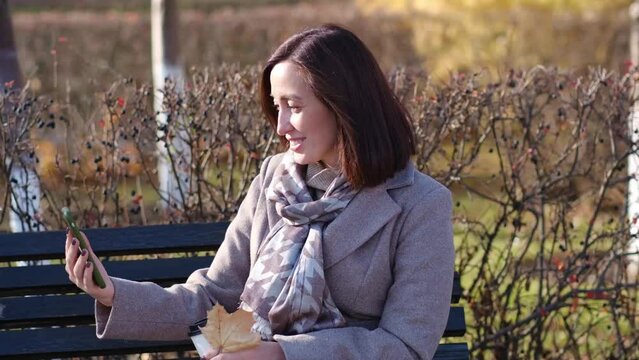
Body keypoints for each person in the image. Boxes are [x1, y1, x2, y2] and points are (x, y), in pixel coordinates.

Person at [65, 23, 454, 360]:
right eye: (276, 106)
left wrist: (284, 354)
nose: (281, 126)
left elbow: (405, 345)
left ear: (344, 107)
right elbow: (213, 297)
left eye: (294, 106)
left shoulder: (418, 204)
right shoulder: (274, 179)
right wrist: (114, 294)